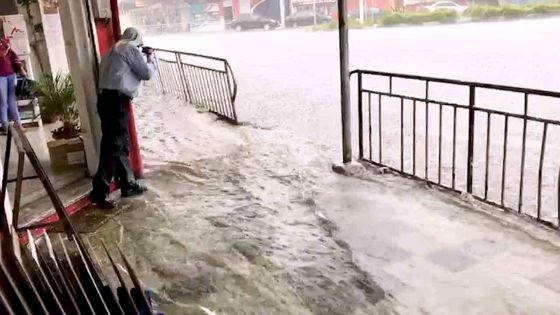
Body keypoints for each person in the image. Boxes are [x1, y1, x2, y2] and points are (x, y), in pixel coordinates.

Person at [89, 28, 156, 209]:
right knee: (113, 146)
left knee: (119, 143)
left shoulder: (113, 49)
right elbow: (147, 73)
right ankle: (99, 192)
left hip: (105, 99)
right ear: (137, 40)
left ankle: (127, 183)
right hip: (117, 101)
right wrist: (150, 57)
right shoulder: (129, 48)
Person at [0, 38, 25, 134]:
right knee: (3, 102)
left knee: (12, 102)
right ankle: (5, 127)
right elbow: (2, 55)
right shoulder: (5, 46)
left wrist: (21, 69)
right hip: (0, 76)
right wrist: (6, 49)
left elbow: (13, 56)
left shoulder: (4, 42)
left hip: (10, 74)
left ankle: (19, 124)